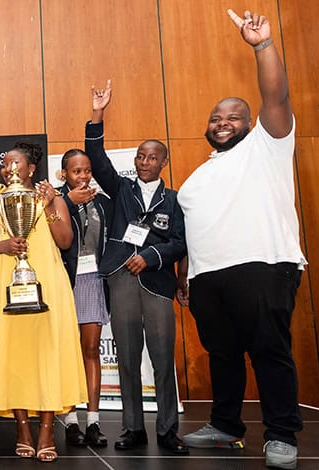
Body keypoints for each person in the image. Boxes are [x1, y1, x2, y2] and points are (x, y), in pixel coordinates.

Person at [177, 9, 306, 470]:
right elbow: (191, 229)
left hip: (264, 265)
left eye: (234, 116)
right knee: (222, 355)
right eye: (216, 117)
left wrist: (262, 45)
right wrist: (185, 275)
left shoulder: (267, 144)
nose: (223, 121)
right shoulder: (197, 176)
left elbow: (276, 96)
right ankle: (226, 426)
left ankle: (282, 434)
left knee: (270, 352)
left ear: (251, 122)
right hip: (207, 277)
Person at [84, 81, 188, 455]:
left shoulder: (173, 200)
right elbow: (96, 157)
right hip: (122, 278)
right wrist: (98, 113)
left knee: (161, 359)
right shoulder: (120, 189)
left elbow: (180, 242)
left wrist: (153, 256)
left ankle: (167, 430)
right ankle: (133, 428)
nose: (144, 162)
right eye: (140, 157)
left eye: (152, 157)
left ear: (163, 162)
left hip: (157, 283)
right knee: (127, 358)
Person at [0, 142, 88, 463]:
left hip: (46, 285)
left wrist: (48, 207)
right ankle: (22, 429)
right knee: (14, 357)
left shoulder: (51, 198)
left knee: (47, 356)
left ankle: (47, 431)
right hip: (4, 286)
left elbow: (65, 241)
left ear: (31, 169)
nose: (8, 169)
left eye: (15, 163)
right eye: (4, 164)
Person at [55, 149, 112, 448]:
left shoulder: (102, 202)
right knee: (67, 351)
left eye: (87, 170)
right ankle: (71, 421)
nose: (83, 176)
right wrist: (67, 201)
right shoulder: (54, 199)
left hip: (92, 281)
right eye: (76, 171)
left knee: (90, 349)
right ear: (64, 173)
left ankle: (93, 421)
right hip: (65, 281)